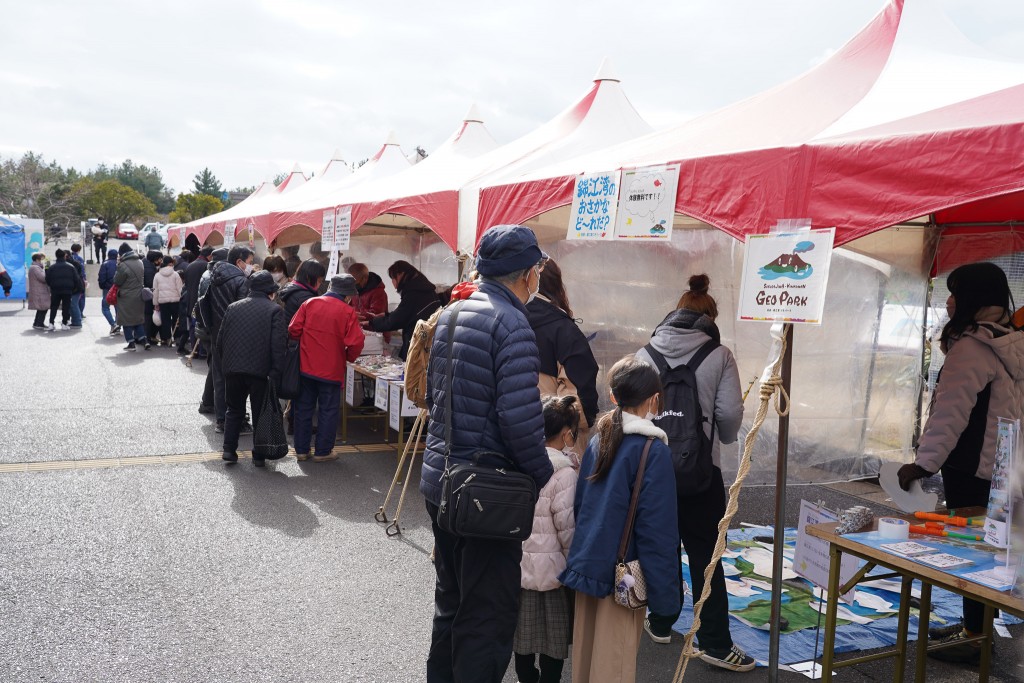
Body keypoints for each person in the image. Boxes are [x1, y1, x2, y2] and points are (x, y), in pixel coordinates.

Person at [420, 224, 554, 682]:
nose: (538, 276)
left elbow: (434, 395)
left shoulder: (456, 311)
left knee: (451, 605)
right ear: (525, 274)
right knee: (487, 618)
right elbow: (519, 419)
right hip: (484, 495)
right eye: (537, 267)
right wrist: (541, 473)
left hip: (442, 480)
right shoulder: (511, 322)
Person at [897, 262, 1024, 664]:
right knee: (996, 549)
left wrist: (923, 464)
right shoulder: (1014, 339)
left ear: (972, 298)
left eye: (954, 293)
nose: (948, 302)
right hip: (1007, 468)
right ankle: (976, 629)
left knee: (973, 552)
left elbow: (950, 414)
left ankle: (973, 639)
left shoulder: (972, 347)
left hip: (970, 468)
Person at [633, 273, 753, 672]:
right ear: (709, 317)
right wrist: (720, 437)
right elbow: (731, 415)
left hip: (653, 468)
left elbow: (630, 410)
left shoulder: (645, 353)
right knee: (706, 556)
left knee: (661, 545)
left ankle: (661, 621)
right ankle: (716, 644)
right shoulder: (719, 356)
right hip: (703, 471)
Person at [559, 356, 681, 683]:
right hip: (623, 577)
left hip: (588, 566)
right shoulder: (652, 450)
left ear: (614, 397)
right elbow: (658, 530)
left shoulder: (600, 439)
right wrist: (667, 599)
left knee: (585, 666)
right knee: (613, 668)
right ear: (654, 399)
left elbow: (581, 507)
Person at [513, 395, 580, 683]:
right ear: (566, 434)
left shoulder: (518, 460)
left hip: (519, 569)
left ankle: (526, 678)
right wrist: (574, 564)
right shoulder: (564, 474)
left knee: (522, 638)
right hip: (552, 574)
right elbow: (568, 529)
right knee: (553, 642)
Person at [287, 274, 364, 461]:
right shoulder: (347, 312)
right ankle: (323, 451)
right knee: (328, 410)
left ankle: (301, 451)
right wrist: (346, 357)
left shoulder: (310, 303)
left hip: (306, 366)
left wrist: (306, 343)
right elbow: (356, 342)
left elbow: (293, 329)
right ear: (347, 296)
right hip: (332, 368)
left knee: (303, 408)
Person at [217, 271, 287, 466]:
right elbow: (278, 345)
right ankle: (258, 454)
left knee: (234, 410)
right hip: (260, 372)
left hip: (233, 370)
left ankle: (229, 450)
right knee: (260, 412)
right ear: (270, 292)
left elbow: (221, 340)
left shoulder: (233, 307)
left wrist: (226, 364)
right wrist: (275, 372)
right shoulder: (275, 311)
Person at [526, 257, 601, 433]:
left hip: (508, 438)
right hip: (553, 441)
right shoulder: (563, 330)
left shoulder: (501, 320)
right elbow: (576, 402)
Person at [204, 245, 255, 433]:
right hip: (235, 337)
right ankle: (235, 420)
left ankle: (221, 420)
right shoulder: (241, 281)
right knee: (236, 381)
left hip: (216, 332)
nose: (251, 266)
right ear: (239, 262)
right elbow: (244, 311)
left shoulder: (214, 276)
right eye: (249, 262)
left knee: (219, 378)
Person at [365, 260, 439, 360]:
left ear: (400, 274)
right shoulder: (424, 289)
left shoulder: (414, 294)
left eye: (392, 278)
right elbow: (405, 313)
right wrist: (386, 315)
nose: (392, 282)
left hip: (418, 345)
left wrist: (372, 322)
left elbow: (397, 320)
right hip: (426, 342)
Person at [113, 247, 148, 350]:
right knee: (137, 319)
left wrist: (117, 268)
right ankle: (144, 340)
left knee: (126, 320)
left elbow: (117, 281)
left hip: (126, 296)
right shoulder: (140, 262)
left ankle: (131, 343)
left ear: (123, 254)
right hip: (139, 295)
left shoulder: (123, 265)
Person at [184, 245, 214, 358]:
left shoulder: (190, 265)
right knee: (202, 326)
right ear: (210, 256)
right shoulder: (207, 267)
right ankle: (202, 350)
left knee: (193, 327)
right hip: (202, 301)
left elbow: (186, 285)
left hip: (190, 300)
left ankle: (194, 349)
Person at [44, 249, 81, 331]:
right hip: (67, 290)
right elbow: (76, 279)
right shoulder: (71, 267)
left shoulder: (52, 267)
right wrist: (73, 288)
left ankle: (51, 323)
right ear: (65, 256)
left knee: (54, 306)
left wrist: (52, 286)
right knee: (66, 306)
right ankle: (64, 323)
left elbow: (47, 279)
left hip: (55, 290)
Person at [279, 258, 325, 323]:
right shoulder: (305, 297)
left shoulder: (293, 288)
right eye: (319, 281)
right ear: (308, 278)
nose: (319, 284)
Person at [152, 255, 184, 347]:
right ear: (170, 263)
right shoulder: (175, 274)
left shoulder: (157, 275)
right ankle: (177, 337)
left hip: (163, 302)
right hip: (175, 301)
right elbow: (180, 289)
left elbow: (155, 290)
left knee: (165, 320)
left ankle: (166, 339)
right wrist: (182, 299)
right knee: (176, 320)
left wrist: (156, 304)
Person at [97, 248, 120, 335]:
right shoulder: (120, 264)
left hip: (107, 289)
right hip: (118, 288)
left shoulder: (105, 264)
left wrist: (103, 286)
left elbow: (101, 277)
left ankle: (113, 324)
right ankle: (117, 325)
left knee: (105, 308)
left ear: (108, 255)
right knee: (118, 308)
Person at [27, 253, 50, 330]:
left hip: (38, 290)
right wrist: (47, 271)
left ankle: (37, 323)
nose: (42, 261)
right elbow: (43, 278)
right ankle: (39, 323)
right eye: (41, 259)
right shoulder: (35, 268)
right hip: (39, 291)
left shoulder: (34, 267)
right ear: (37, 259)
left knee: (41, 307)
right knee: (44, 307)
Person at [68, 243, 87, 327]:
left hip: (70, 281)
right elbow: (82, 271)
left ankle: (72, 315)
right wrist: (85, 280)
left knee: (72, 300)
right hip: (79, 280)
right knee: (81, 298)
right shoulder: (79, 259)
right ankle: (80, 314)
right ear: (79, 250)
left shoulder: (69, 257)